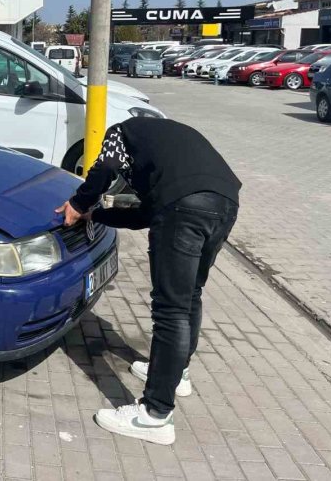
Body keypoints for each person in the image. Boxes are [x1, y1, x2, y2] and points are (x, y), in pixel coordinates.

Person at [56, 117, 240, 446]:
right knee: (189, 295)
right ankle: (177, 374)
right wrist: (96, 215)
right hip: (224, 203)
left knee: (170, 311)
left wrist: (78, 203)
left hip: (184, 208)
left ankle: (154, 415)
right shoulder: (166, 145)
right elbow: (144, 215)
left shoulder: (121, 132)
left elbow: (103, 168)